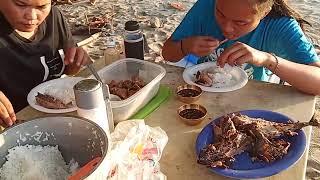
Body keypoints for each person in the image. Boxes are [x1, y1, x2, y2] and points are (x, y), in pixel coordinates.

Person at [162, 0, 320, 94]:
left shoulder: (280, 26)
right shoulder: (206, 6)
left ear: (264, 13)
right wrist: (185, 46)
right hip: (204, 91)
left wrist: (267, 59)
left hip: (251, 98)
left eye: (240, 22)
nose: (227, 28)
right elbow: (167, 54)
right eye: (220, 14)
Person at [0, 0, 91, 127]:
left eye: (42, 7)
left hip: (60, 114)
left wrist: (75, 62)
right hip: (17, 123)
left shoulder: (54, 18)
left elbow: (68, 70)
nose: (32, 16)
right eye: (20, 5)